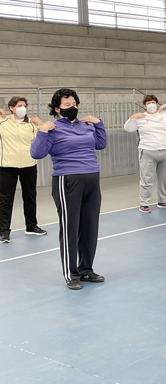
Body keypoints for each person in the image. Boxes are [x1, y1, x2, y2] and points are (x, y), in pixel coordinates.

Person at [30, 88, 107, 290]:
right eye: (66, 105)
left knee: (90, 227)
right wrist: (42, 131)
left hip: (92, 179)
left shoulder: (85, 125)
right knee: (71, 228)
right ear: (57, 109)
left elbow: (101, 143)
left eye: (73, 104)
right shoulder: (53, 127)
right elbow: (37, 153)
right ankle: (71, 274)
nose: (71, 107)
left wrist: (98, 124)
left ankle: (86, 269)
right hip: (67, 181)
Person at [123, 95, 166, 213]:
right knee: (146, 179)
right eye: (148, 103)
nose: (151, 104)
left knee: (164, 178)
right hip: (148, 151)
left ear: (156, 103)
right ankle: (144, 203)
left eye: (153, 102)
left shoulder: (165, 114)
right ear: (145, 105)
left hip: (165, 150)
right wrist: (132, 117)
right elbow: (127, 128)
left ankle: (162, 200)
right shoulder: (140, 117)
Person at [0, 97, 47, 243]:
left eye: (25, 105)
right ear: (12, 108)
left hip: (29, 165)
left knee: (30, 197)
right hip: (7, 166)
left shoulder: (31, 124)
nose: (23, 108)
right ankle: (3, 232)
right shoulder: (2, 123)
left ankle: (31, 227)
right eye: (19, 105)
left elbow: (48, 131)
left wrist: (41, 123)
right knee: (5, 200)